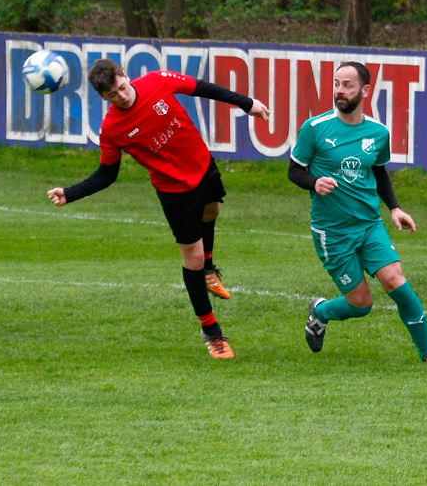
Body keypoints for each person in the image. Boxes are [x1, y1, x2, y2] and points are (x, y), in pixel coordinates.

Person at [46, 59, 269, 359]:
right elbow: (107, 174)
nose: (122, 97)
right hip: (175, 191)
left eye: (123, 88)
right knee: (192, 257)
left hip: (203, 165)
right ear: (104, 98)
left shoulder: (157, 81)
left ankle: (208, 270)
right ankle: (211, 331)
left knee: (213, 211)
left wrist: (246, 103)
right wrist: (70, 193)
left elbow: (201, 87)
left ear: (127, 76)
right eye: (113, 95)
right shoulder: (112, 129)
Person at [291, 61, 427, 365]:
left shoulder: (377, 132)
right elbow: (294, 171)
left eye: (347, 85)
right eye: (337, 83)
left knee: (396, 281)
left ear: (365, 90)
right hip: (333, 232)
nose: (340, 90)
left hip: (369, 225)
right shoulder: (314, 128)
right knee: (361, 304)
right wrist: (314, 182)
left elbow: (378, 172)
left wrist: (395, 208)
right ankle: (320, 311)